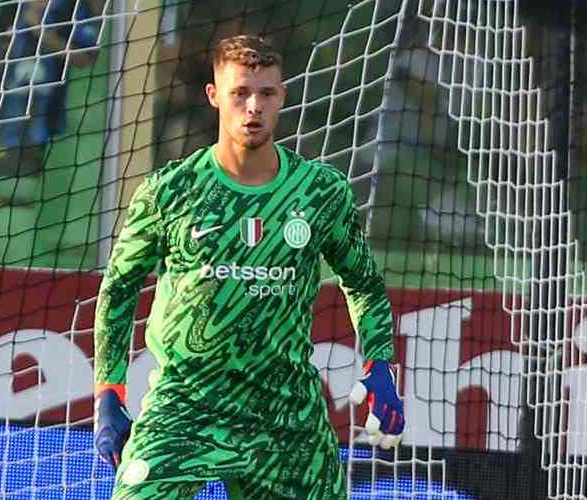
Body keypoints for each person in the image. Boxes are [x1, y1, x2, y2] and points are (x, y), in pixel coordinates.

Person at [93, 34, 405, 500]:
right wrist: (108, 392)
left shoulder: (321, 193)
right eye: (240, 93)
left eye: (265, 93)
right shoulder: (170, 191)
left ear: (283, 97)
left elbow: (363, 283)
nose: (253, 106)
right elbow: (119, 289)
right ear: (215, 95)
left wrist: (380, 361)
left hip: (285, 415)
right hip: (186, 406)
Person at [0, 0, 102, 206]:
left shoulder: (73, 8)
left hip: (47, 113)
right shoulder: (11, 5)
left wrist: (42, 32)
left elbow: (85, 57)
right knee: (3, 169)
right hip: (7, 111)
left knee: (35, 173)